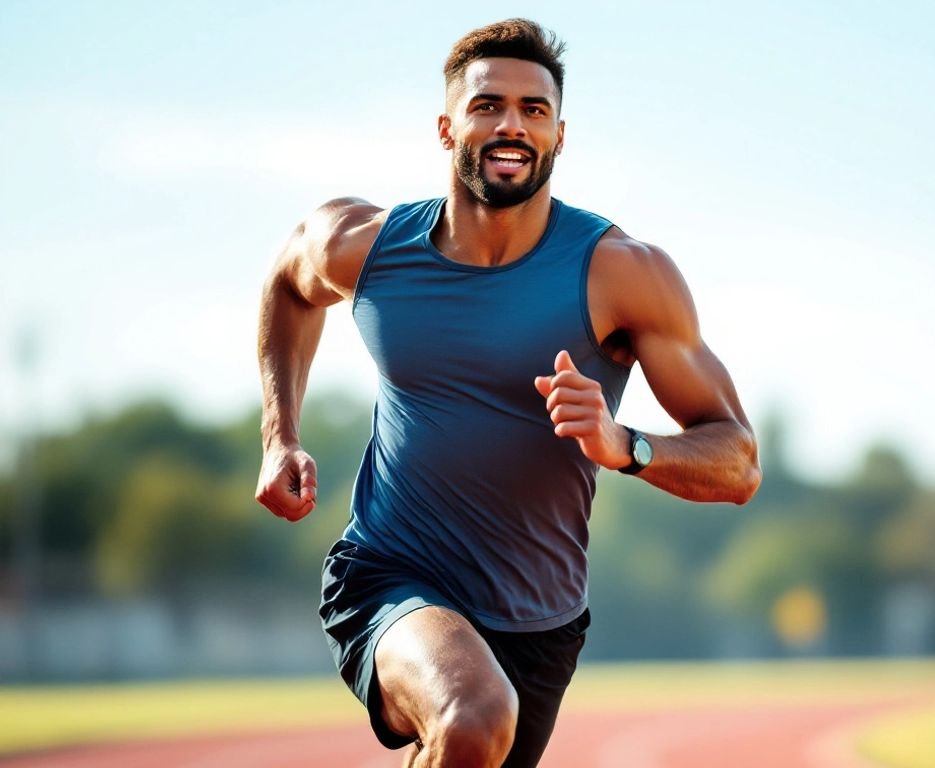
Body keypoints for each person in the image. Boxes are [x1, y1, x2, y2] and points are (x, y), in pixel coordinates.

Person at [253, 18, 760, 768]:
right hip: (392, 571)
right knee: (472, 716)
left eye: (533, 109)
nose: (510, 124)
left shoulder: (622, 273)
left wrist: (625, 446)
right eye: (488, 105)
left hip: (540, 619)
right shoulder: (366, 245)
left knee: (470, 740)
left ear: (559, 133)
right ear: (447, 126)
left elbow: (739, 463)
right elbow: (290, 285)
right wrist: (279, 435)